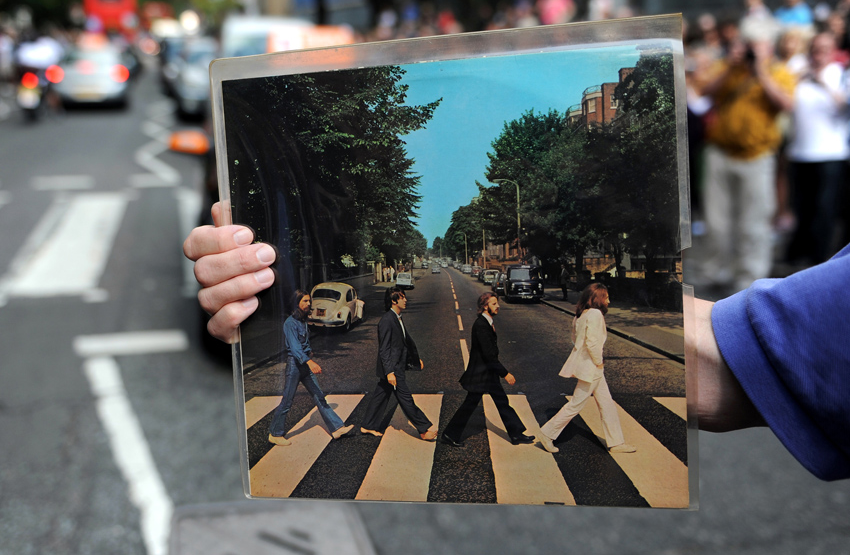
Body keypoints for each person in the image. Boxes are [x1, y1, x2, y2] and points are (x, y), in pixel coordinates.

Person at [183, 203, 850, 481]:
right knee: (483, 403)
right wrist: (256, 303)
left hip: (508, 374)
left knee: (501, 405)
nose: (495, 298)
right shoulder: (464, 315)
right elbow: (742, 361)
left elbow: (739, 361)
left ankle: (514, 427)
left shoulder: (483, 314)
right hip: (490, 373)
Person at [698, 27, 796, 292]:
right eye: (749, 44)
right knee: (717, 221)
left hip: (757, 156)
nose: (752, 50)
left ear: (769, 47)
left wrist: (761, 71)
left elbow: (786, 104)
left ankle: (749, 278)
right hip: (720, 153)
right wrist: (731, 67)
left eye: (758, 45)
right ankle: (715, 271)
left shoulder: (779, 72)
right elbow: (705, 90)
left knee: (754, 222)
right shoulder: (729, 67)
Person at [536, 283, 635, 455]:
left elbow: (575, 340)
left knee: (607, 404)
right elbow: (592, 343)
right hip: (592, 367)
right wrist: (598, 362)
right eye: (606, 297)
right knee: (576, 404)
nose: (609, 301)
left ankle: (616, 442)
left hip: (589, 366)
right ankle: (547, 433)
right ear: (598, 299)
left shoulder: (580, 315)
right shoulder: (596, 314)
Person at [785, 32, 849, 265]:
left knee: (825, 211)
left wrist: (821, 81)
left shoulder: (840, 74)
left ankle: (820, 258)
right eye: (815, 48)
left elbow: (842, 104)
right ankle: (798, 257)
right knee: (802, 210)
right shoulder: (799, 74)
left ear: (833, 50)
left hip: (830, 154)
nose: (819, 53)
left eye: (824, 49)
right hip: (800, 153)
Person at [440, 292, 535, 448]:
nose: (497, 306)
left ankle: (516, 434)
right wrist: (505, 374)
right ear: (485, 306)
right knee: (470, 404)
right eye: (493, 304)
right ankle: (450, 434)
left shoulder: (487, 323)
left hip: (488, 374)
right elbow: (489, 355)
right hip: (481, 375)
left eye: (497, 303)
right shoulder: (481, 325)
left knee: (502, 402)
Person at [267, 290, 354, 446]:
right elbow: (294, 348)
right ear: (296, 303)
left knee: (319, 396)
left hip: (304, 363)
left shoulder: (302, 320)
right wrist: (310, 361)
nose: (309, 304)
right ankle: (275, 433)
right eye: (305, 301)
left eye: (309, 301)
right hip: (295, 365)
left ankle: (337, 428)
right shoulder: (290, 323)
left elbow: (303, 343)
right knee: (287, 401)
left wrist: (310, 351)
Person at [359, 286, 437, 441]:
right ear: (394, 301)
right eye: (402, 297)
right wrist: (389, 372)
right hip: (393, 368)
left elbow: (403, 344)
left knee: (380, 395)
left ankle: (367, 425)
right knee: (406, 398)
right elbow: (384, 349)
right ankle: (423, 428)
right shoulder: (387, 320)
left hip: (396, 365)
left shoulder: (397, 318)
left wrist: (415, 360)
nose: (405, 300)